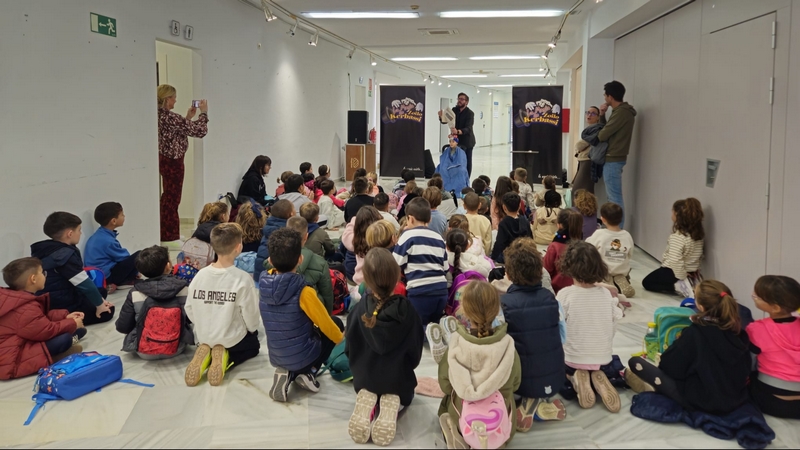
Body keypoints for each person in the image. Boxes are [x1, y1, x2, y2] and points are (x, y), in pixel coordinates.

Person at [626, 280, 751, 415]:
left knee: (635, 362)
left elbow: (670, 367)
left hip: (702, 401)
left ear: (701, 307)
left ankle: (654, 386)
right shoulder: (738, 331)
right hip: (735, 399)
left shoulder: (695, 333)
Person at [345, 248, 423, 446]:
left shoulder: (358, 310)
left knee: (369, 383)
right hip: (399, 381)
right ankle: (395, 403)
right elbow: (415, 354)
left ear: (366, 281)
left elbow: (349, 349)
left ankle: (370, 399)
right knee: (403, 393)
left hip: (365, 377)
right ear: (397, 277)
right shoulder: (409, 311)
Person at [260, 228, 344, 402]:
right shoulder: (304, 291)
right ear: (300, 259)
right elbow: (326, 324)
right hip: (303, 355)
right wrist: (342, 340)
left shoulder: (264, 284)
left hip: (276, 354)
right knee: (336, 323)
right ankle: (308, 371)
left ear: (270, 260)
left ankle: (287, 371)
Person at [437, 281, 522, 449]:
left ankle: (462, 433)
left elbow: (445, 385)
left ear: (465, 312)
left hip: (465, 418)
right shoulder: (508, 345)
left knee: (448, 400)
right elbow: (516, 384)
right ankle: (493, 440)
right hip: (501, 423)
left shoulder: (456, 345)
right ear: (496, 309)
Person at [184, 223, 261, 387]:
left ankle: (206, 354)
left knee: (214, 336)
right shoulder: (242, 278)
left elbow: (189, 308)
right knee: (253, 346)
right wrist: (251, 330)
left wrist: (202, 322)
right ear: (238, 247)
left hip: (204, 335)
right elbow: (251, 317)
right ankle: (225, 360)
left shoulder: (200, 276)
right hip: (231, 339)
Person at [500, 240, 567, 430]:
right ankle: (540, 400)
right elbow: (563, 338)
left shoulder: (505, 304)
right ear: (540, 271)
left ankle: (526, 402)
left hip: (519, 383)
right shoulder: (552, 300)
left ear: (509, 274)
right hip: (556, 378)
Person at [557, 241, 624, 413]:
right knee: (613, 362)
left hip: (572, 360)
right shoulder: (606, 295)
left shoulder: (565, 295)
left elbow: (558, 328)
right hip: (603, 359)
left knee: (555, 372)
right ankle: (599, 377)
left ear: (568, 267)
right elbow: (613, 326)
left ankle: (574, 378)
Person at [0, 257, 85, 380]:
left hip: (20, 342)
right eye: (43, 273)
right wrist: (72, 323)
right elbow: (46, 331)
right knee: (64, 338)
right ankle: (56, 355)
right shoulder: (25, 307)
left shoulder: (16, 299)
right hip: (12, 359)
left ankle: (72, 337)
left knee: (73, 330)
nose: (45, 276)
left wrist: (65, 316)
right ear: (33, 279)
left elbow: (39, 319)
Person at [31, 212, 114, 325]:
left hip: (54, 298)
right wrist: (100, 305)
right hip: (62, 304)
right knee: (108, 312)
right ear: (70, 233)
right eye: (79, 230)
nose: (80, 233)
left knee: (101, 292)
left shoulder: (46, 249)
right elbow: (84, 284)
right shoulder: (65, 256)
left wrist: (99, 300)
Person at [116, 246, 193, 360]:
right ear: (168, 266)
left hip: (143, 351)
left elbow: (123, 327)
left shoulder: (135, 292)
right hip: (177, 348)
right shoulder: (184, 289)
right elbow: (191, 319)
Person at [157, 84, 209, 243]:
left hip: (162, 159)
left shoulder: (158, 116)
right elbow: (200, 131)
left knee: (167, 198)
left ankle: (165, 232)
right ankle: (170, 236)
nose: (175, 100)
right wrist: (204, 113)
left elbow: (177, 132)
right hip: (174, 162)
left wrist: (187, 118)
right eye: (173, 97)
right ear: (167, 99)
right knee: (172, 199)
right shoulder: (171, 117)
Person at [746, 275, 800, 419]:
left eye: (757, 297)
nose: (754, 296)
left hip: (772, 401)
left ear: (775, 308)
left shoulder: (756, 329)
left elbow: (749, 363)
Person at [393, 198, 449, 326]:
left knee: (416, 327)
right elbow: (445, 268)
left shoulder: (407, 236)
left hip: (420, 293)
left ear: (410, 219)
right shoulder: (439, 238)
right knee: (434, 325)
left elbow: (395, 264)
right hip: (441, 292)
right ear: (429, 219)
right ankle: (442, 332)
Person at [265, 217, 334, 314]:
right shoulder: (320, 263)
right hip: (311, 313)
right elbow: (327, 294)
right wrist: (328, 315)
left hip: (279, 315)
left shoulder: (273, 259)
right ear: (306, 236)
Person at [642, 198, 704, 297]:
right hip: (692, 271)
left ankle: (678, 286)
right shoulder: (698, 235)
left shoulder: (677, 237)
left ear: (677, 216)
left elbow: (675, 260)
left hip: (674, 271)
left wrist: (681, 276)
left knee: (647, 282)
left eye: (673, 212)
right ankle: (690, 282)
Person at [598, 81, 637, 229]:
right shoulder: (620, 113)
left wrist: (602, 121)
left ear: (610, 97)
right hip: (615, 158)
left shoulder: (621, 113)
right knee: (612, 197)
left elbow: (603, 134)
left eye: (605, 95)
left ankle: (617, 230)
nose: (604, 97)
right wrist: (602, 115)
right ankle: (612, 228)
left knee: (614, 198)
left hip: (613, 158)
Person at [84, 202, 141, 290]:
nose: (124, 217)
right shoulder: (107, 240)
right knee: (139, 255)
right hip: (107, 276)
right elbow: (124, 258)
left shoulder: (100, 235)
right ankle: (125, 281)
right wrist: (136, 271)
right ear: (114, 221)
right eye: (122, 215)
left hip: (98, 275)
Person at [586, 203, 635, 298]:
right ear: (621, 219)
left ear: (603, 219)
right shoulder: (627, 235)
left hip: (604, 271)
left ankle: (607, 281)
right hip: (621, 269)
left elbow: (589, 249)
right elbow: (630, 254)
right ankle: (620, 278)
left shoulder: (599, 233)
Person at [544, 209, 584, 293]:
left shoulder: (554, 247)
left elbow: (546, 271)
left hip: (558, 290)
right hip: (580, 288)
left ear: (559, 225)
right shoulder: (584, 247)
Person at [254, 199, 294, 281]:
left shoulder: (267, 229)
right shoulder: (288, 234)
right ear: (291, 214)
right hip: (275, 279)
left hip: (259, 276)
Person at [343, 207, 383, 287]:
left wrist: (356, 219)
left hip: (357, 280)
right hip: (375, 282)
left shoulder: (356, 241)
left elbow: (346, 234)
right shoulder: (382, 240)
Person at [438, 93, 476, 176]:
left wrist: (458, 131)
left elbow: (468, 128)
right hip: (455, 141)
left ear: (467, 102)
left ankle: (466, 179)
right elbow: (446, 121)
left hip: (467, 141)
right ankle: (456, 177)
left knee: (466, 161)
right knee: (456, 160)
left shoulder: (470, 113)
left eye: (462, 99)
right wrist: (441, 117)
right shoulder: (454, 110)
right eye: (459, 98)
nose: (459, 100)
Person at [491, 193, 533, 264]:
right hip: (524, 254)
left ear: (504, 207)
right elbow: (530, 238)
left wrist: (493, 257)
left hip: (509, 256)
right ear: (519, 206)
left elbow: (500, 243)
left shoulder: (503, 223)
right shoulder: (524, 220)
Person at [572, 107, 602, 196]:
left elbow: (579, 145)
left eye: (593, 113)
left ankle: (584, 209)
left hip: (588, 161)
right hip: (583, 160)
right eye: (588, 113)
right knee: (584, 191)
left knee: (579, 191)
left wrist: (578, 146)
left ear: (598, 117)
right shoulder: (589, 129)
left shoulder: (597, 129)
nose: (589, 115)